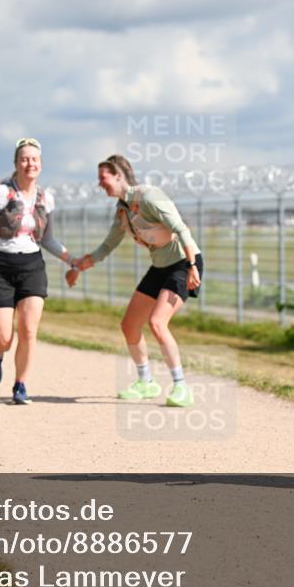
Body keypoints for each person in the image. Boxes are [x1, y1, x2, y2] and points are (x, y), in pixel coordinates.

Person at [71, 155, 203, 408]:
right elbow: (108, 245)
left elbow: (181, 229)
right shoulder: (122, 210)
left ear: (119, 176)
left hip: (183, 263)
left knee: (156, 323)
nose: (100, 184)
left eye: (103, 178)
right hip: (160, 267)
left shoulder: (150, 197)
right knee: (129, 324)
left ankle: (181, 387)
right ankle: (146, 382)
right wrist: (78, 266)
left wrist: (192, 266)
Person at [0, 138, 74, 405]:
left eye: (34, 159)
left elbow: (47, 239)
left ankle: (20, 385)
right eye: (24, 159)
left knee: (28, 330)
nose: (30, 163)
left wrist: (72, 260)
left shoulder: (47, 198)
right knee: (5, 337)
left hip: (32, 266)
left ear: (41, 164)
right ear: (16, 163)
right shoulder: (1, 193)